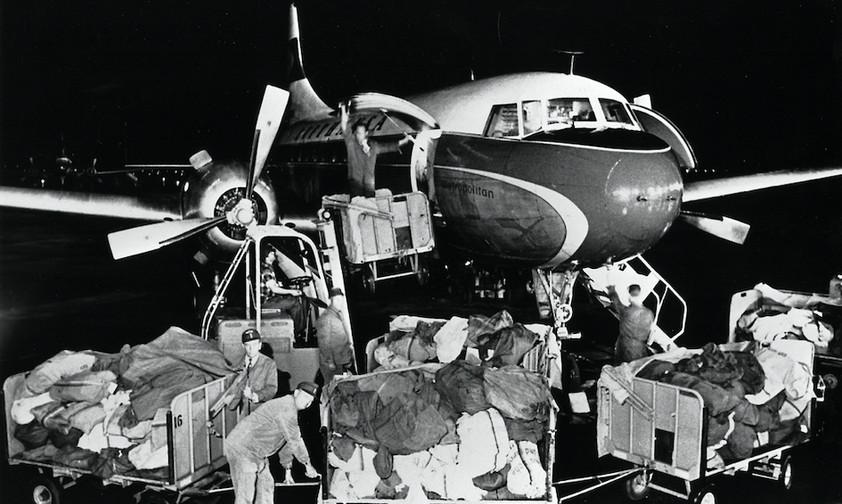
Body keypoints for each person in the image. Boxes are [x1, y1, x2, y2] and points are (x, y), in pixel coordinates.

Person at [224, 382, 320, 504]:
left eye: (311, 401)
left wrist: (287, 469)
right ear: (296, 393)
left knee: (266, 485)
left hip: (256, 452)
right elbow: (295, 440)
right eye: (306, 397)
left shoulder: (289, 408)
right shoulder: (286, 407)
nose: (308, 403)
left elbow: (285, 441)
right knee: (245, 495)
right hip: (242, 448)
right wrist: (307, 465)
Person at [340, 101, 411, 197]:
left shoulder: (374, 146)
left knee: (370, 206)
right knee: (357, 207)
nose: (357, 135)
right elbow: (344, 125)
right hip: (355, 184)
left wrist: (405, 140)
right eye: (356, 133)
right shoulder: (351, 143)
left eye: (360, 133)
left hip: (369, 184)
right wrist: (343, 108)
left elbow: (389, 146)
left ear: (366, 134)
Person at [261, 248, 307, 336]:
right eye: (271, 253)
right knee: (295, 302)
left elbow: (274, 285)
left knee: (291, 299)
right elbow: (274, 289)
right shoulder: (266, 269)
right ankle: (297, 332)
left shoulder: (269, 267)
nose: (274, 254)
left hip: (270, 299)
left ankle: (295, 328)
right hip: (266, 302)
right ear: (267, 256)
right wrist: (291, 291)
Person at [608, 282, 656, 364]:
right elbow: (652, 332)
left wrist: (611, 288)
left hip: (626, 347)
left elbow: (615, 301)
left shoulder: (626, 312)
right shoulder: (649, 313)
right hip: (640, 348)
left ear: (629, 295)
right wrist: (648, 345)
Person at [316, 287, 354, 386]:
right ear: (330, 300)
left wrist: (348, 358)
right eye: (337, 300)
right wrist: (329, 362)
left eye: (341, 300)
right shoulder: (326, 317)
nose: (340, 302)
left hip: (340, 361)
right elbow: (324, 343)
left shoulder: (338, 315)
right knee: (332, 389)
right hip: (332, 363)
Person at [237, 329, 278, 415]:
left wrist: (256, 396)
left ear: (259, 345)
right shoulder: (237, 364)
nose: (251, 349)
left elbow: (272, 388)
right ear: (243, 346)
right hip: (241, 413)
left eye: (254, 344)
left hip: (260, 411)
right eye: (247, 345)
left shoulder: (269, 364)